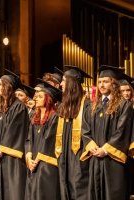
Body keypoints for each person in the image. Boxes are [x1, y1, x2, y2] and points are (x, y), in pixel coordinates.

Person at [80, 65, 132, 200]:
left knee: (113, 193)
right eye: (100, 82)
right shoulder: (93, 105)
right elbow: (85, 128)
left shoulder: (123, 104)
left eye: (105, 81)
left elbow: (122, 130)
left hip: (113, 159)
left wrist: (106, 149)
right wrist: (91, 145)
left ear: (113, 83)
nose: (101, 85)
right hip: (95, 157)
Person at [0, 69, 29, 200]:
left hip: (12, 159)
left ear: (8, 87)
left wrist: (1, 151)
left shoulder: (19, 107)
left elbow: (15, 132)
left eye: (0, 84)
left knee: (12, 192)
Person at [56, 65, 92, 200]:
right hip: (65, 155)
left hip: (80, 157)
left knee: (79, 188)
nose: (61, 84)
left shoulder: (86, 105)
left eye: (64, 80)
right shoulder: (63, 106)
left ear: (71, 83)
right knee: (65, 188)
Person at [25, 79, 62, 200]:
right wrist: (29, 157)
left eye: (40, 96)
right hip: (33, 164)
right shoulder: (34, 118)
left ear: (48, 99)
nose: (35, 98)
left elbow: (49, 140)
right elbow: (29, 139)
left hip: (47, 165)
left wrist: (37, 159)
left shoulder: (54, 117)